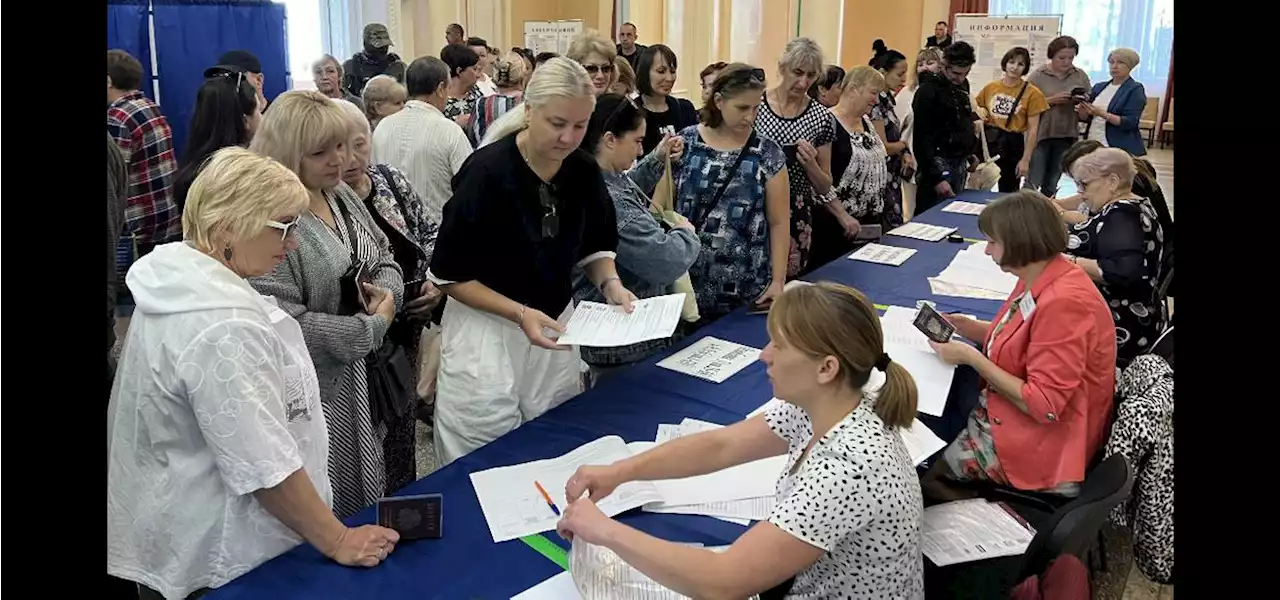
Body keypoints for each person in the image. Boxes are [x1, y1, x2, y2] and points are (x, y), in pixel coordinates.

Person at [108, 147, 401, 600]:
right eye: (284, 227)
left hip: (181, 521)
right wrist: (338, 538)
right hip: (226, 554)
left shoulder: (180, 282)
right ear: (229, 226)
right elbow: (264, 465)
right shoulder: (223, 326)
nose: (294, 243)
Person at [557, 282, 924, 599]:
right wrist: (619, 472)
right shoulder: (825, 405)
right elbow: (722, 446)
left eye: (779, 346)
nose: (764, 355)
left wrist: (605, 530)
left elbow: (724, 582)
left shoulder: (848, 469)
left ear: (826, 368)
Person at [426, 57, 636, 465]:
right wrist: (519, 312)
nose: (568, 137)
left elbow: (595, 246)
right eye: (557, 124)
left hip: (554, 324)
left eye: (579, 126)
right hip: (487, 330)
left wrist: (611, 284)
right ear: (528, 111)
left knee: (553, 440)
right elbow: (449, 276)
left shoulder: (582, 171)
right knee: (481, 449)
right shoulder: (486, 173)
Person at [249, 91, 405, 518]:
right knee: (328, 488)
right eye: (321, 152)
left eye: (342, 145)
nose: (339, 160)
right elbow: (279, 320)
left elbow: (385, 254)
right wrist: (368, 329)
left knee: (365, 477)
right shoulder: (271, 217)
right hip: (315, 384)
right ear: (286, 153)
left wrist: (388, 296)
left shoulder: (340, 194)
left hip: (360, 372)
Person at [923, 190, 1116, 500]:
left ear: (1019, 243)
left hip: (1047, 444)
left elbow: (1044, 406)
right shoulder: (1043, 273)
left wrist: (972, 357)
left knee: (923, 468)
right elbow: (1031, 337)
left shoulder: (1064, 302)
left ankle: (976, 527)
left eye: (992, 242)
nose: (986, 251)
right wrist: (977, 329)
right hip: (1034, 421)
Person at [334, 99, 442, 492]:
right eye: (337, 146)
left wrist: (433, 281)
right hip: (359, 340)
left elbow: (430, 232)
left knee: (401, 431)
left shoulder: (389, 180)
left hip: (406, 330)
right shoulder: (319, 202)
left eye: (359, 144)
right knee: (361, 441)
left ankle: (403, 510)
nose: (349, 158)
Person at [572, 94, 698, 381]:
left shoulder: (593, 176)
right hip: (625, 344)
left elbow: (626, 187)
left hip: (616, 340)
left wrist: (656, 159)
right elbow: (665, 260)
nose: (641, 150)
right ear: (610, 139)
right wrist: (686, 234)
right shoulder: (609, 198)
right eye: (638, 141)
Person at [673, 64, 789, 321]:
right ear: (719, 101)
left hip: (748, 287)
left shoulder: (768, 153)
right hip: (688, 286)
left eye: (756, 108)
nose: (750, 116)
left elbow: (779, 222)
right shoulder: (686, 143)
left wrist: (778, 280)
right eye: (742, 108)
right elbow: (665, 210)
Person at [1064, 148, 1166, 366]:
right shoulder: (1134, 204)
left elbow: (1120, 271)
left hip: (1123, 324)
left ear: (1111, 181)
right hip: (1134, 316)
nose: (1081, 192)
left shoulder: (1122, 213)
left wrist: (1068, 261)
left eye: (1085, 184)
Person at [756, 37, 838, 277]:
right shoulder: (756, 107)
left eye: (811, 76)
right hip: (756, 206)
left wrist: (810, 165)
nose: (803, 82)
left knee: (789, 280)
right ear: (782, 68)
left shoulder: (822, 118)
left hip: (797, 211)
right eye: (798, 72)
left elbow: (825, 185)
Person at [107, 49, 182, 280]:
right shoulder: (148, 105)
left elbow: (114, 178)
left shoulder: (117, 118)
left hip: (139, 230)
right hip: (167, 217)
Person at [373, 56, 473, 225]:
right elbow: (470, 189)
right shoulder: (449, 131)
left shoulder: (383, 127)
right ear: (441, 88)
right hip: (438, 235)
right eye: (448, 89)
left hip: (393, 233)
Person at [808, 66, 890, 268]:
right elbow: (817, 180)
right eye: (872, 93)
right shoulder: (826, 122)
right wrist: (842, 215)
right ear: (853, 89)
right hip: (834, 228)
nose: (876, 100)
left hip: (869, 224)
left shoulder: (866, 122)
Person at [171, 71, 264, 211]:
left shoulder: (194, 172)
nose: (262, 117)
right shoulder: (246, 177)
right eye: (258, 110)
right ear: (245, 121)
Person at [912, 41, 980, 214]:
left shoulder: (963, 85)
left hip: (959, 162)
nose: (960, 78)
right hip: (936, 163)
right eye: (956, 73)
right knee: (931, 218)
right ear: (944, 66)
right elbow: (922, 139)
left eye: (966, 73)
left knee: (955, 216)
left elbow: (963, 123)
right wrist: (936, 178)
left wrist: (971, 152)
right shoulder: (928, 91)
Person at [975, 46, 1049, 192]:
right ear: (1005, 63)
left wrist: (1025, 159)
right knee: (980, 182)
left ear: (1025, 68)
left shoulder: (1033, 93)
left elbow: (1033, 129)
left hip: (1013, 141)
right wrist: (980, 112)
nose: (1014, 67)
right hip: (989, 139)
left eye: (1020, 64)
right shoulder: (991, 87)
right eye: (1011, 62)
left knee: (1009, 188)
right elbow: (976, 107)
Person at [1026, 36, 1091, 197]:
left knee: (1053, 179)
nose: (1066, 62)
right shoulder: (1038, 75)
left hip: (1067, 133)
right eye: (1062, 58)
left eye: (1071, 58)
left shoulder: (1079, 75)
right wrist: (1051, 100)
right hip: (1041, 133)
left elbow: (1088, 99)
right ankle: (1025, 212)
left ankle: (1048, 212)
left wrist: (1080, 101)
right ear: (1052, 56)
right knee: (1034, 178)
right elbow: (1026, 104)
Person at [869, 41, 913, 227]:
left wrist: (904, 152)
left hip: (892, 174)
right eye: (900, 74)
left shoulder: (888, 99)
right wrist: (905, 144)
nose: (903, 79)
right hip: (880, 176)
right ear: (883, 72)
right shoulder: (875, 101)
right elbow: (883, 146)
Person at [895, 47, 941, 221]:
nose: (924, 68)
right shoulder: (907, 94)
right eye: (920, 64)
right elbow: (896, 127)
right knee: (910, 211)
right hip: (911, 159)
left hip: (938, 160)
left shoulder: (946, 91)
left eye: (930, 63)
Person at [1078, 48, 1148, 156]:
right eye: (1111, 62)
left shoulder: (1135, 89)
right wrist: (1083, 109)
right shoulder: (1099, 87)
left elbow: (1130, 122)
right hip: (1093, 140)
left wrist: (1102, 114)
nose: (1114, 66)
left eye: (1120, 62)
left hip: (1118, 145)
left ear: (1130, 66)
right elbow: (1085, 118)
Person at [637, 44, 698, 156]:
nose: (669, 78)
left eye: (673, 71)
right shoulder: (631, 112)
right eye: (661, 71)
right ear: (645, 72)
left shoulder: (685, 109)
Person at [472, 52, 528, 143]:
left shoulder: (482, 103)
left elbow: (473, 136)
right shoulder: (530, 103)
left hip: (488, 154)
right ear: (522, 77)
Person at [342, 23, 407, 98]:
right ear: (366, 44)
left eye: (385, 46)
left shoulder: (397, 66)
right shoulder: (351, 66)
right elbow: (344, 95)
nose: (384, 49)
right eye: (379, 46)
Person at [205, 49, 269, 112]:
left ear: (258, 80)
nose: (226, 85)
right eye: (220, 78)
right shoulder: (218, 118)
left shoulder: (277, 115)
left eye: (235, 78)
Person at [440, 43, 483, 131]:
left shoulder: (476, 93)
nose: (478, 75)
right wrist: (455, 124)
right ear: (459, 71)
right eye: (474, 69)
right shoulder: (439, 98)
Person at [566, 31, 618, 96]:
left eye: (606, 68)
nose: (600, 76)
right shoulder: (559, 103)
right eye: (591, 69)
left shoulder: (620, 104)